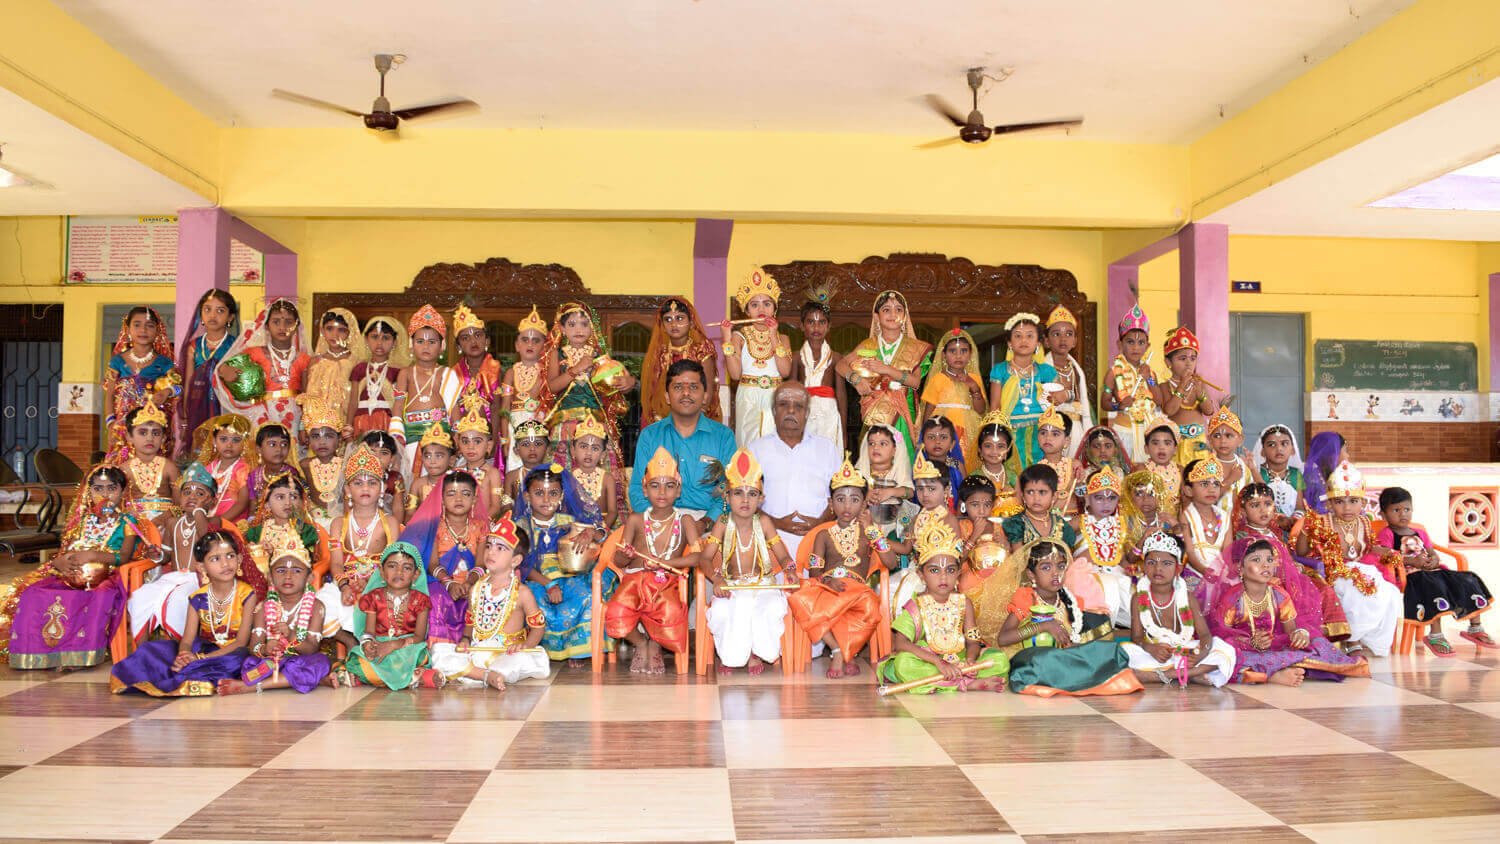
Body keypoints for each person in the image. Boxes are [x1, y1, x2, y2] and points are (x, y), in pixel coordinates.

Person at [0, 464, 160, 668]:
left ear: (122, 492)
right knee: (33, 592)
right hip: (71, 574)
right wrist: (59, 562)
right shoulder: (82, 521)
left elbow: (124, 557)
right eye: (98, 489)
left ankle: (78, 655)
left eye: (112, 488)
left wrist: (93, 555)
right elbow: (64, 550)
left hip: (107, 576)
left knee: (96, 596)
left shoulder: (127, 522)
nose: (105, 494)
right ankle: (36, 654)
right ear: (89, 491)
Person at [110, 529, 257, 696]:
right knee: (151, 650)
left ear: (239, 559)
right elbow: (187, 640)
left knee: (237, 661)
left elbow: (240, 642)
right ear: (201, 567)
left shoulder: (247, 594)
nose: (225, 564)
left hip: (231, 653)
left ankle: (189, 673)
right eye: (215, 559)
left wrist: (199, 659)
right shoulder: (197, 597)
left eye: (230, 556)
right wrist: (184, 654)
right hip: (204, 649)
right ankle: (188, 672)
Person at [1210, 537, 1370, 685]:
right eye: (1256, 560)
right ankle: (1273, 675)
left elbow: (1291, 631)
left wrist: (1299, 635)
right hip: (1244, 649)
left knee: (1318, 644)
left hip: (1275, 646)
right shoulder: (1232, 599)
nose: (1265, 565)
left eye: (1269, 560)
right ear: (1241, 568)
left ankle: (1277, 668)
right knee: (1224, 658)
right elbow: (1221, 635)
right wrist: (1251, 642)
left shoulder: (1279, 595)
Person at [995, 538, 1142, 697]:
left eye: (1061, 566)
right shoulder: (1026, 597)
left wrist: (1074, 645)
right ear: (1031, 574)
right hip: (1033, 660)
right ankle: (1085, 678)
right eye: (1046, 567)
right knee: (1043, 657)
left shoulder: (1072, 600)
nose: (1055, 573)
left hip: (1064, 658)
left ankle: (1074, 676)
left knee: (1111, 650)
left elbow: (1076, 637)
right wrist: (1043, 626)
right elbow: (1003, 638)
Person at [789, 456, 893, 678]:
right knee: (801, 601)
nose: (847, 506)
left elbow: (891, 562)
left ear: (864, 503)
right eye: (840, 499)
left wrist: (873, 531)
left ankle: (847, 651)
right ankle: (839, 651)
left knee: (870, 607)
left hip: (857, 590)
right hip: (829, 586)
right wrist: (828, 581)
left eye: (855, 499)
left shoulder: (869, 532)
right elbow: (815, 570)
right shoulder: (823, 535)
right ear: (831, 503)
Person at [879, 518, 1007, 693]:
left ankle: (946, 682)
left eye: (950, 570)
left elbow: (973, 640)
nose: (943, 577)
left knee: (1000, 659)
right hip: (930, 662)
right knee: (903, 664)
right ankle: (966, 683)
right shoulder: (915, 605)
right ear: (921, 574)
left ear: (958, 573)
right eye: (934, 570)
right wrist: (938, 662)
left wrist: (970, 660)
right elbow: (901, 644)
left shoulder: (964, 603)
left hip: (960, 661)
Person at [1296, 461, 1403, 659]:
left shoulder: (1363, 521)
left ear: (1362, 503)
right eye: (1340, 502)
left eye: (1353, 501)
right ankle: (1352, 639)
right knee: (1353, 590)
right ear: (1329, 503)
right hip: (1330, 572)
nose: (1347, 507)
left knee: (1390, 592)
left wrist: (1387, 551)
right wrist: (1306, 529)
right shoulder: (1323, 522)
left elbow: (1368, 546)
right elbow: (1301, 552)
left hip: (1360, 570)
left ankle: (1368, 638)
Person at [432, 514, 550, 689]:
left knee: (512, 665)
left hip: (506, 653)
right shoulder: (476, 588)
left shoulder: (522, 593)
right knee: (438, 652)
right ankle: (486, 675)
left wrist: (525, 646)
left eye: (500, 548)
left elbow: (538, 628)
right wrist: (465, 639)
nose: (491, 552)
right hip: (478, 649)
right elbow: (470, 624)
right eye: (488, 546)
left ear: (516, 560)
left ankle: (475, 673)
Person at [701, 449, 793, 675]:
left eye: (752, 494)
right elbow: (704, 557)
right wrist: (717, 578)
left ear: (761, 499)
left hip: (763, 585)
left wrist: (790, 569)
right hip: (733, 585)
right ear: (727, 497)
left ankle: (756, 653)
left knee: (768, 608)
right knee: (723, 610)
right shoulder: (722, 522)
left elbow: (783, 555)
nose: (745, 500)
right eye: (738, 493)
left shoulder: (764, 521)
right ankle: (729, 655)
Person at [608, 447, 699, 674]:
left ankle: (656, 645)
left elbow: (698, 556)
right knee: (616, 610)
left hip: (667, 582)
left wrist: (665, 564)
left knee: (669, 611)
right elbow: (618, 561)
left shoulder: (685, 520)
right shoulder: (636, 520)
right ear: (645, 489)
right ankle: (641, 644)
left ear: (678, 491)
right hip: (633, 581)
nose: (662, 492)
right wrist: (625, 554)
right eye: (655, 485)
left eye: (669, 486)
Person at [127, 463, 239, 644]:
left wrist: (199, 512)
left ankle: (184, 649)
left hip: (200, 579)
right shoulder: (172, 523)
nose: (192, 497)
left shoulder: (214, 521)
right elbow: (166, 555)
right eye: (187, 492)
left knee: (179, 599)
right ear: (179, 497)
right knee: (141, 596)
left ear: (212, 501)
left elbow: (207, 542)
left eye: (200, 494)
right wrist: (157, 555)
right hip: (175, 577)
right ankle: (144, 653)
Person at [1378, 487, 1495, 655]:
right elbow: (1385, 556)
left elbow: (1432, 552)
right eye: (1396, 510)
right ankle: (1435, 635)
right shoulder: (1387, 534)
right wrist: (1412, 561)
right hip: (1411, 576)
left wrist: (1433, 560)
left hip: (1433, 571)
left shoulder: (1419, 532)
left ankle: (1475, 627)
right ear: (1383, 514)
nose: (1403, 514)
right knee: (1434, 587)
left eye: (1407, 509)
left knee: (1469, 579)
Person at [518, 464, 610, 665]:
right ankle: (543, 648)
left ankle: (577, 650)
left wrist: (591, 533)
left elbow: (603, 534)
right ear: (526, 496)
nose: (546, 499)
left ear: (562, 496)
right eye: (539, 493)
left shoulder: (568, 520)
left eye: (553, 493)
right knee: (535, 599)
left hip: (569, 576)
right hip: (536, 578)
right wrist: (548, 584)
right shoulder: (521, 526)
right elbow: (520, 565)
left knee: (586, 595)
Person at [629, 359, 738, 529]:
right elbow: (637, 489)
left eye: (693, 387)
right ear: (667, 397)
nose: (686, 393)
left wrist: (706, 522)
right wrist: (659, 522)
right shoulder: (650, 435)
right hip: (658, 520)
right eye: (678, 387)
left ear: (705, 397)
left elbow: (731, 488)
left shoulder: (723, 437)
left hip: (708, 523)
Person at [1122, 532, 1235, 687]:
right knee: (1126, 652)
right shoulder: (1138, 597)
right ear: (1144, 566)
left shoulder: (1187, 597)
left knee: (1225, 649)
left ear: (1179, 568)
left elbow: (1205, 635)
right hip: (1155, 654)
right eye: (1151, 562)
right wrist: (1151, 648)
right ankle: (1191, 674)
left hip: (1184, 651)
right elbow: (1136, 638)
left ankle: (1166, 675)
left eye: (1166, 563)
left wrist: (1201, 655)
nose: (1158, 568)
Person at [541, 302, 634, 487]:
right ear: (562, 328)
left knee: (600, 474)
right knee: (564, 474)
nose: (579, 329)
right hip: (566, 423)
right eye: (572, 324)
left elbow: (616, 381)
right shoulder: (557, 354)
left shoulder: (599, 355)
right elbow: (551, 387)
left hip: (596, 423)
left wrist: (628, 382)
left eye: (584, 324)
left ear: (591, 328)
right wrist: (575, 369)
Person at [318, 444, 399, 651]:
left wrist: (370, 583)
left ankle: (367, 646)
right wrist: (345, 586)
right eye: (358, 482)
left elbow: (392, 564)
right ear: (347, 489)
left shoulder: (390, 523)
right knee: (318, 605)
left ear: (381, 489)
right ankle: (348, 641)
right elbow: (336, 564)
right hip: (345, 584)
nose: (365, 488)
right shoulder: (338, 523)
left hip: (379, 584)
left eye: (372, 483)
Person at [223, 545, 331, 695]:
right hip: (271, 663)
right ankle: (304, 680)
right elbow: (254, 646)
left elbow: (312, 648)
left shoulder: (316, 607)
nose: (288, 576)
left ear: (309, 578)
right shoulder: (263, 607)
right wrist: (265, 649)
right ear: (270, 578)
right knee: (249, 664)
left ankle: (251, 687)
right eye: (281, 571)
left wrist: (291, 635)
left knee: (320, 662)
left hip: (301, 660)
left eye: (297, 571)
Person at [748, 383, 840, 559]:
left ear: (806, 413)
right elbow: (744, 501)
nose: (791, 411)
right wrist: (775, 523)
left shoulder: (827, 448)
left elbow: (839, 496)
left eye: (798, 406)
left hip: (820, 543)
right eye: (784, 405)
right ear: (774, 411)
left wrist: (820, 523)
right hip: (770, 543)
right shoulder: (756, 449)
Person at [838, 290, 933, 457]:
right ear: (876, 317)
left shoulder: (916, 347)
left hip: (903, 412)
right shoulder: (868, 345)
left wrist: (887, 370)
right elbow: (841, 365)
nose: (893, 314)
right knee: (874, 461)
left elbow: (915, 383)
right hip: (874, 411)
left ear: (905, 316)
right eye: (886, 309)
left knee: (903, 460)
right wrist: (856, 380)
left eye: (898, 309)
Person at [403, 470, 490, 646]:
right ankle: (439, 647)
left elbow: (481, 563)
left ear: (474, 499)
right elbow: (432, 564)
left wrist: (469, 583)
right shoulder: (435, 527)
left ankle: (471, 645)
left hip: (472, 581)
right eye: (451, 494)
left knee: (484, 595)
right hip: (439, 581)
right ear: (441, 499)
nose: (459, 499)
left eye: (465, 494)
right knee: (436, 598)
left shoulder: (480, 527)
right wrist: (450, 584)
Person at [344, 541, 440, 689]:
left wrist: (394, 645)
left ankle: (382, 678)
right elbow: (369, 631)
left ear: (416, 575)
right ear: (381, 572)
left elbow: (419, 636)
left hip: (407, 647)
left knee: (421, 655)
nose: (399, 572)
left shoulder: (421, 600)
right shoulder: (374, 597)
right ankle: (414, 678)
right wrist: (368, 643)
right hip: (379, 644)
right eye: (392, 566)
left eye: (406, 568)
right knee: (356, 659)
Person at [217, 298, 310, 434]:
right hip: (263, 414)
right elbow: (223, 368)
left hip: (295, 417)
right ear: (266, 326)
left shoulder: (304, 359)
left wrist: (303, 425)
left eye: (288, 322)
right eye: (276, 321)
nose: (282, 327)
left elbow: (307, 396)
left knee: (293, 452)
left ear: (296, 326)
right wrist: (225, 370)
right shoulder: (254, 353)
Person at [390, 304, 461, 481]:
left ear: (442, 345)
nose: (426, 346)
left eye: (432, 341)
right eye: (420, 341)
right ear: (411, 344)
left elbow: (453, 409)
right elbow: (398, 405)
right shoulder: (405, 373)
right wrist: (397, 436)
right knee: (410, 484)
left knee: (438, 483)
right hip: (411, 437)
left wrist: (458, 436)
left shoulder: (447, 373)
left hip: (441, 438)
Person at [722, 268, 793, 444]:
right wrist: (726, 337)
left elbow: (785, 371)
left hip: (775, 395)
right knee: (748, 446)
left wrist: (773, 335)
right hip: (748, 396)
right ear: (747, 310)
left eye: (767, 304)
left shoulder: (782, 338)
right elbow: (736, 374)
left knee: (776, 446)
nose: (761, 309)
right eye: (754, 305)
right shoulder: (739, 336)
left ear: (774, 309)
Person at [103, 306, 181, 463]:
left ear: (157, 330)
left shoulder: (164, 363)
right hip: (123, 429)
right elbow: (109, 395)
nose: (143, 330)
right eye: (137, 325)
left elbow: (180, 388)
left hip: (152, 428)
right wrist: (111, 424)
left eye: (149, 325)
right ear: (128, 329)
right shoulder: (117, 361)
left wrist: (166, 392)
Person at [987, 312, 1058, 469]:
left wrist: (1064, 395)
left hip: (1042, 432)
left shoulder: (1046, 371)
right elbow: (995, 407)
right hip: (1010, 431)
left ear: (1038, 343)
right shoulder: (1000, 371)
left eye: (1029, 336)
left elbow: (1057, 401)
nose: (1024, 340)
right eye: (1018, 336)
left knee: (1041, 473)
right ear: (1010, 343)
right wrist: (998, 435)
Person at [175, 290, 239, 461]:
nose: (213, 315)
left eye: (220, 310)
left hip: (226, 409)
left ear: (230, 317)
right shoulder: (194, 346)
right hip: (197, 412)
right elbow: (187, 382)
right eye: (207, 309)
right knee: (200, 456)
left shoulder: (237, 345)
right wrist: (186, 418)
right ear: (201, 315)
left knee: (225, 454)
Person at [641, 296, 720, 427]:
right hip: (662, 416)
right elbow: (653, 390)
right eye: (668, 319)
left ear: (691, 322)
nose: (673, 324)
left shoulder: (701, 350)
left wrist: (693, 420)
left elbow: (708, 390)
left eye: (679, 318)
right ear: (663, 325)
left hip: (696, 415)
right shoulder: (660, 352)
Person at [1070, 466, 1133, 628]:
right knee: (1107, 588)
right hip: (1086, 574)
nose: (1106, 503)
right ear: (1088, 499)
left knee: (1133, 595)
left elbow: (1122, 557)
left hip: (1116, 572)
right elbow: (1059, 543)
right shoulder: (1079, 522)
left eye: (1112, 498)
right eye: (1099, 498)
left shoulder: (1122, 524)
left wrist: (1133, 571)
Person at [920, 328, 985, 473]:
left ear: (970, 354)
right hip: (942, 430)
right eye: (952, 351)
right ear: (943, 355)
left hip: (969, 430)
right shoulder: (938, 378)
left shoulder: (974, 379)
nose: (958, 356)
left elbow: (981, 410)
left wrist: (974, 387)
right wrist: (924, 435)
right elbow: (929, 409)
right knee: (944, 467)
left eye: (963, 351)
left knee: (966, 464)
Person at [1156, 326, 1218, 466]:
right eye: (1182, 358)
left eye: (1193, 358)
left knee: (1199, 476)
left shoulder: (1199, 383)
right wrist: (1182, 386)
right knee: (1179, 478)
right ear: (1168, 362)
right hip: (1177, 441)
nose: (1188, 363)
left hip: (1198, 440)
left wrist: (1199, 392)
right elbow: (1169, 410)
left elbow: (1209, 411)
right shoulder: (1165, 386)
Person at [1106, 303, 1159, 463]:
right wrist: (1118, 405)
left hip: (1149, 431)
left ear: (1147, 346)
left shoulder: (1150, 372)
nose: (1136, 347)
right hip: (1125, 430)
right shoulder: (1113, 372)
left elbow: (1159, 400)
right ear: (1120, 345)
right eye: (1130, 342)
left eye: (1141, 343)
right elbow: (1104, 401)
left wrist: (1148, 379)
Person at [497, 306, 548, 469]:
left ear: (544, 346)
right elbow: (504, 410)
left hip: (540, 424)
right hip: (515, 427)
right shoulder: (511, 373)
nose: (530, 344)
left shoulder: (546, 372)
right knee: (516, 470)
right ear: (517, 345)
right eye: (525, 340)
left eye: (536, 340)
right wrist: (505, 439)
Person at [118, 399, 181, 527]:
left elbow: (179, 504)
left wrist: (159, 520)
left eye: (156, 433)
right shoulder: (124, 469)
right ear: (129, 437)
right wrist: (134, 518)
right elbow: (119, 503)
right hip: (134, 525)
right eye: (142, 432)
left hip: (165, 523)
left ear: (163, 438)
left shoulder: (170, 468)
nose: (149, 438)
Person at [1043, 305, 1094, 458]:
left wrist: (1068, 395)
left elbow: (1082, 406)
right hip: (1052, 432)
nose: (1063, 339)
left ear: (1075, 341)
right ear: (1046, 341)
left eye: (1069, 334)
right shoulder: (1041, 370)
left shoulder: (1077, 372)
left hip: (1076, 430)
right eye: (1056, 334)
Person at [796, 294, 845, 452]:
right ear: (802, 326)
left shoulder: (836, 357)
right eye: (811, 322)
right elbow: (790, 390)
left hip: (828, 415)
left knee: (827, 456)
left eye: (821, 322)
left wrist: (843, 431)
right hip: (803, 412)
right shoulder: (796, 356)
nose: (816, 328)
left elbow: (842, 395)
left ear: (829, 326)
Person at [346, 315, 408, 441]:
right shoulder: (359, 369)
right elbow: (353, 402)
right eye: (374, 337)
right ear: (366, 339)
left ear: (395, 342)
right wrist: (348, 428)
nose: (379, 343)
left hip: (387, 422)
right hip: (361, 422)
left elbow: (401, 404)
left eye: (386, 338)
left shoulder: (399, 371)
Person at [1180, 459, 1232, 608]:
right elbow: (1189, 551)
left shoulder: (1224, 516)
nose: (1211, 489)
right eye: (1204, 484)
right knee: (1192, 595)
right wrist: (1205, 571)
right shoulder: (1186, 516)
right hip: (1195, 571)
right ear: (1189, 490)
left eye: (1216, 484)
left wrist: (1224, 575)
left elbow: (1227, 551)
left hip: (1221, 573)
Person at [302, 308, 364, 425]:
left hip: (348, 423)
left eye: (341, 330)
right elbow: (307, 397)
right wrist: (303, 425)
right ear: (322, 331)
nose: (335, 334)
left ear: (350, 333)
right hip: (317, 424)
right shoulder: (315, 362)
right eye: (329, 329)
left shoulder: (357, 363)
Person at [449, 303, 503, 437]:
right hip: (462, 439)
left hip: (491, 437)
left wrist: (493, 442)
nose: (473, 341)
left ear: (487, 341)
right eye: (465, 338)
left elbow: (497, 409)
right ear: (458, 346)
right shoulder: (453, 374)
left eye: (478, 335)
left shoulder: (497, 371)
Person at [857, 423, 916, 542]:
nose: (876, 447)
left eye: (883, 444)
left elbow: (910, 492)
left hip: (893, 525)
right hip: (863, 522)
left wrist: (891, 492)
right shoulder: (859, 472)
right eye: (871, 443)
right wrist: (864, 495)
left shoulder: (898, 471)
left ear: (895, 450)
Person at [453, 397, 506, 521]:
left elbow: (496, 506)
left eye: (477, 441)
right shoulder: (456, 471)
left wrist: (479, 525)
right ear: (459, 445)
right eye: (465, 441)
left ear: (488, 446)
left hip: (484, 525)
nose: (470, 447)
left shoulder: (493, 473)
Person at [296, 395, 344, 530]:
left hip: (341, 522)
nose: (322, 442)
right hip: (314, 523)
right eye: (315, 436)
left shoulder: (345, 464)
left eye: (328, 436)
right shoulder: (304, 464)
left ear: (339, 440)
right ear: (308, 440)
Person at [193, 414, 252, 524]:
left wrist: (220, 521)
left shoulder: (243, 469)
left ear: (244, 443)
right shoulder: (209, 468)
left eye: (236, 440)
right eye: (223, 439)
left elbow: (242, 503)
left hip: (233, 523)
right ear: (214, 442)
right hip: (208, 519)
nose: (229, 445)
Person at [567, 413, 618, 529]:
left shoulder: (607, 479)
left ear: (603, 455)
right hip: (576, 529)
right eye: (583, 446)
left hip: (601, 530)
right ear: (573, 450)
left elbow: (613, 512)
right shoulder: (569, 477)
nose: (589, 453)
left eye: (595, 448)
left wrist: (600, 530)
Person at [1257, 424, 1307, 528]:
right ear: (1262, 451)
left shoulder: (1295, 474)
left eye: (1284, 444)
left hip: (1291, 529)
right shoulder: (1256, 472)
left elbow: (1300, 507)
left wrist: (1293, 520)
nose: (1279, 449)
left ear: (1292, 450)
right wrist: (1275, 519)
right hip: (1263, 528)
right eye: (1271, 445)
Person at [1035, 407, 1080, 515]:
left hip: (1072, 518)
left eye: (1055, 434)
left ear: (1067, 441)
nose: (1048, 438)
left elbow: (1082, 494)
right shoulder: (1034, 470)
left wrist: (1080, 485)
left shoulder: (1074, 465)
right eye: (1043, 433)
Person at [408, 423, 456, 513]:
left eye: (439, 456)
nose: (432, 461)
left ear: (451, 460)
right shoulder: (417, 484)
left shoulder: (457, 483)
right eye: (428, 456)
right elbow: (409, 514)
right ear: (422, 458)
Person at [1206, 407, 1255, 498]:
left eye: (1229, 436)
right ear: (1210, 440)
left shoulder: (1244, 468)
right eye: (1217, 436)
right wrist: (1231, 479)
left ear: (1240, 440)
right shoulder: (1206, 466)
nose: (1223, 441)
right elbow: (1208, 498)